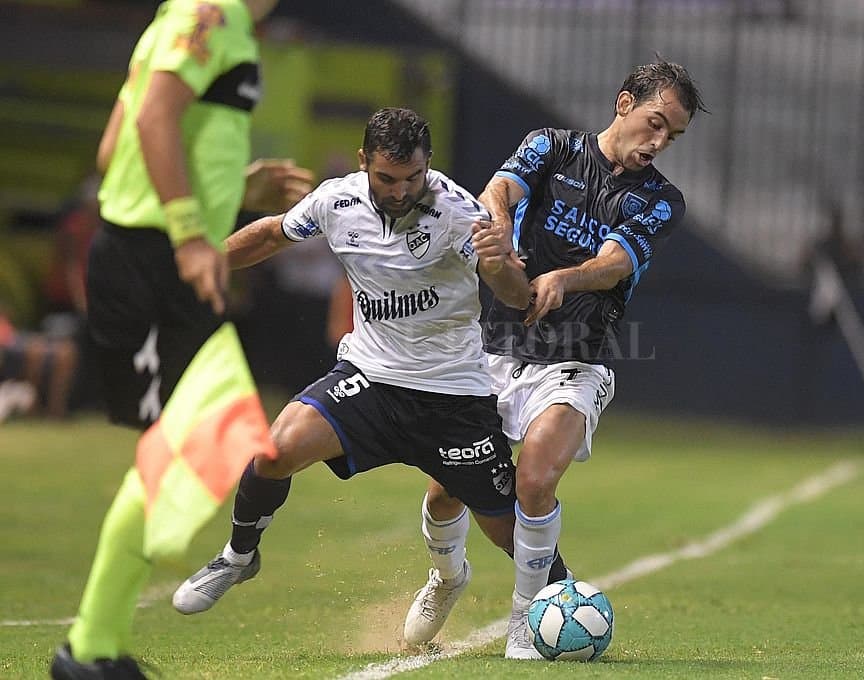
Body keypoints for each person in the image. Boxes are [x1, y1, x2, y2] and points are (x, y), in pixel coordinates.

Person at [170, 108, 547, 636]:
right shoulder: (336, 200)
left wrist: (499, 265)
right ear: (363, 161)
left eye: (412, 178)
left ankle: (543, 604)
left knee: (509, 533)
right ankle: (238, 556)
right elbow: (271, 236)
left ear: (428, 166)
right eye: (387, 178)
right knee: (274, 450)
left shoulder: (463, 213)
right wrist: (199, 263)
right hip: (371, 378)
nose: (400, 191)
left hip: (452, 394)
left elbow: (518, 295)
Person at [402, 59, 707, 659]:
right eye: (655, 123)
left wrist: (565, 278)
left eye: (672, 134)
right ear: (624, 103)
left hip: (575, 360)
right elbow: (500, 190)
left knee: (535, 479)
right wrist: (502, 234)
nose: (659, 142)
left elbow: (617, 262)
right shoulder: (551, 146)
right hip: (491, 351)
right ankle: (447, 577)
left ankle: (525, 618)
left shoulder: (661, 200)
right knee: (444, 492)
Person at [51, 1, 313, 677]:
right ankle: (90, 648)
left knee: (194, 440)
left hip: (153, 259)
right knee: (188, 444)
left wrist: (235, 190)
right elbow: (152, 118)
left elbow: (116, 148)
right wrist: (193, 234)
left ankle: (94, 647)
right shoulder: (212, 13)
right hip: (152, 263)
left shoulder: (192, 19)